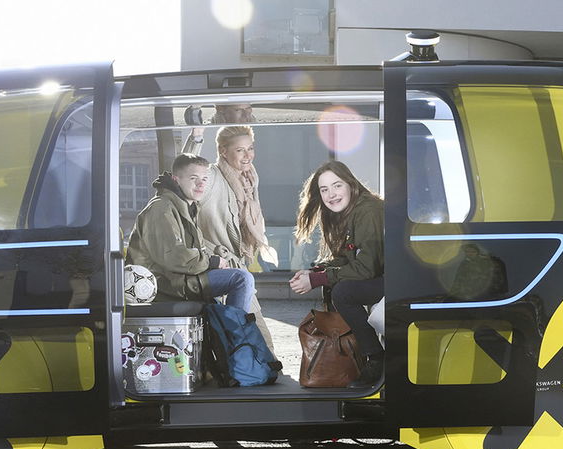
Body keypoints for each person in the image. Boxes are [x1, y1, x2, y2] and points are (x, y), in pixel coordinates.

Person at [289, 160, 384, 390]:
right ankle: (352, 358)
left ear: (350, 184)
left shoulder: (368, 210)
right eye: (324, 189)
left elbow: (366, 268)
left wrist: (317, 280)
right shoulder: (349, 212)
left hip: (401, 277)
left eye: (337, 185)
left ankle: (377, 360)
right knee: (337, 287)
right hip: (384, 275)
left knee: (343, 292)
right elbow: (347, 258)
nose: (331, 194)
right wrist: (317, 272)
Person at [126, 154, 257, 316]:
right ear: (176, 180)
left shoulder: (187, 208)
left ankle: (233, 328)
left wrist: (214, 261)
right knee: (242, 279)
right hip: (164, 284)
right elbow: (173, 256)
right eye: (193, 178)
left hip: (182, 277)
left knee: (223, 303)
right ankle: (238, 331)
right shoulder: (161, 209)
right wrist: (212, 262)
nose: (200, 184)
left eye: (204, 179)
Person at [197, 124, 278, 310]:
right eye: (240, 150)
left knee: (252, 326)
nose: (248, 155)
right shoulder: (212, 176)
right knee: (242, 325)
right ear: (223, 151)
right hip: (215, 267)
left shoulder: (249, 180)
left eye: (250, 148)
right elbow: (186, 171)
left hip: (238, 268)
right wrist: (196, 137)